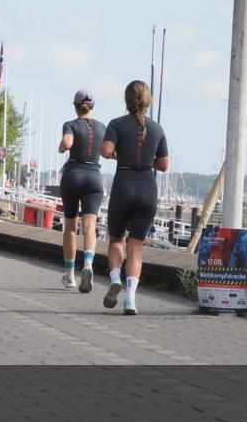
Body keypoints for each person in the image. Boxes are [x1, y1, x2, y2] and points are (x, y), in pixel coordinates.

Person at [100, 80, 169, 315]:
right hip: (147, 189)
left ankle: (115, 277)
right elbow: (164, 164)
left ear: (126, 100)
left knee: (116, 240)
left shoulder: (116, 124)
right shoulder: (157, 129)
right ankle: (130, 299)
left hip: (124, 186)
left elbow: (106, 151)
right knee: (136, 247)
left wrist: (121, 154)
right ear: (148, 101)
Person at [57, 89, 107, 292]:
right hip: (94, 177)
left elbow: (67, 143)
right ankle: (88, 264)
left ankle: (69, 275)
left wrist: (61, 148)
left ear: (75, 106)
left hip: (73, 175)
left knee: (70, 226)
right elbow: (111, 152)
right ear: (92, 106)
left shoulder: (70, 124)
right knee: (90, 226)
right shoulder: (103, 127)